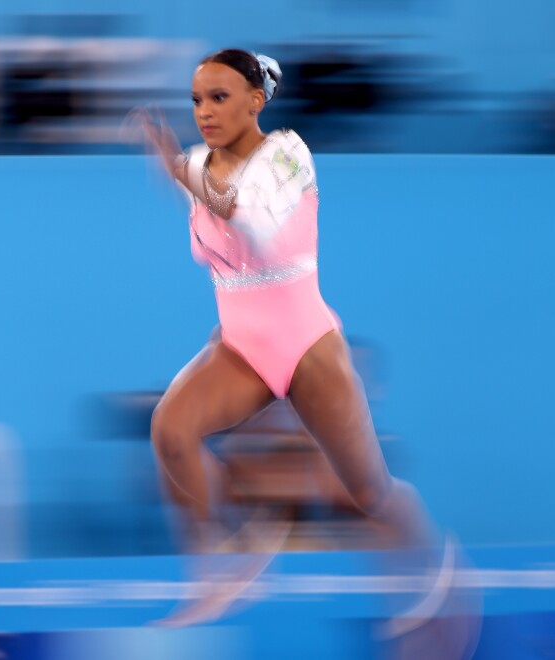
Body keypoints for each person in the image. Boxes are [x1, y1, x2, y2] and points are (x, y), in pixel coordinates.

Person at [131, 49, 479, 655]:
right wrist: (179, 171)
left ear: (255, 102)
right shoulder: (195, 166)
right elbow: (216, 232)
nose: (203, 112)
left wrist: (183, 174)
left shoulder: (288, 154)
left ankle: (439, 572)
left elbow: (256, 225)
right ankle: (222, 566)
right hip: (241, 348)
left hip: (307, 345)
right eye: (195, 100)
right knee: (170, 428)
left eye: (218, 98)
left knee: (370, 493)